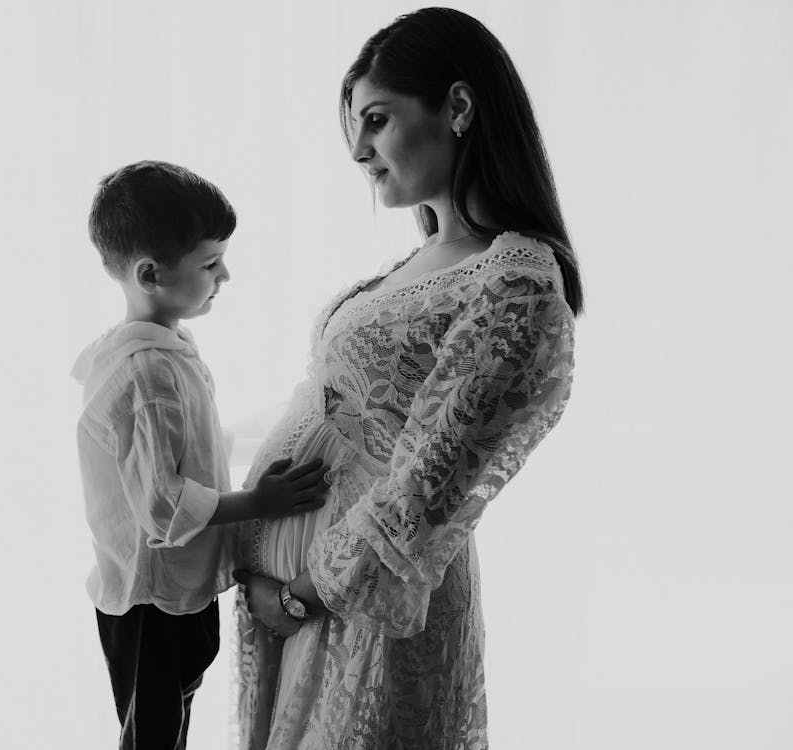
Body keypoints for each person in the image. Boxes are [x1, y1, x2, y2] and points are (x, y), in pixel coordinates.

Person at [231, 9, 583, 749]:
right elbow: (331, 413)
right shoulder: (419, 265)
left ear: (457, 106)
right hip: (309, 609)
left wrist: (301, 596)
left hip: (363, 616)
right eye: (353, 127)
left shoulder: (512, 284)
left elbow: (428, 484)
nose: (358, 149)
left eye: (377, 120)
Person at [73, 160, 331, 749]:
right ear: (151, 273)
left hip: (177, 592)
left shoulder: (167, 348)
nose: (226, 275)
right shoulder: (144, 373)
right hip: (151, 601)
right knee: (154, 736)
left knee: (175, 715)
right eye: (210, 263)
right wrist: (258, 501)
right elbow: (162, 507)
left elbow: (196, 444)